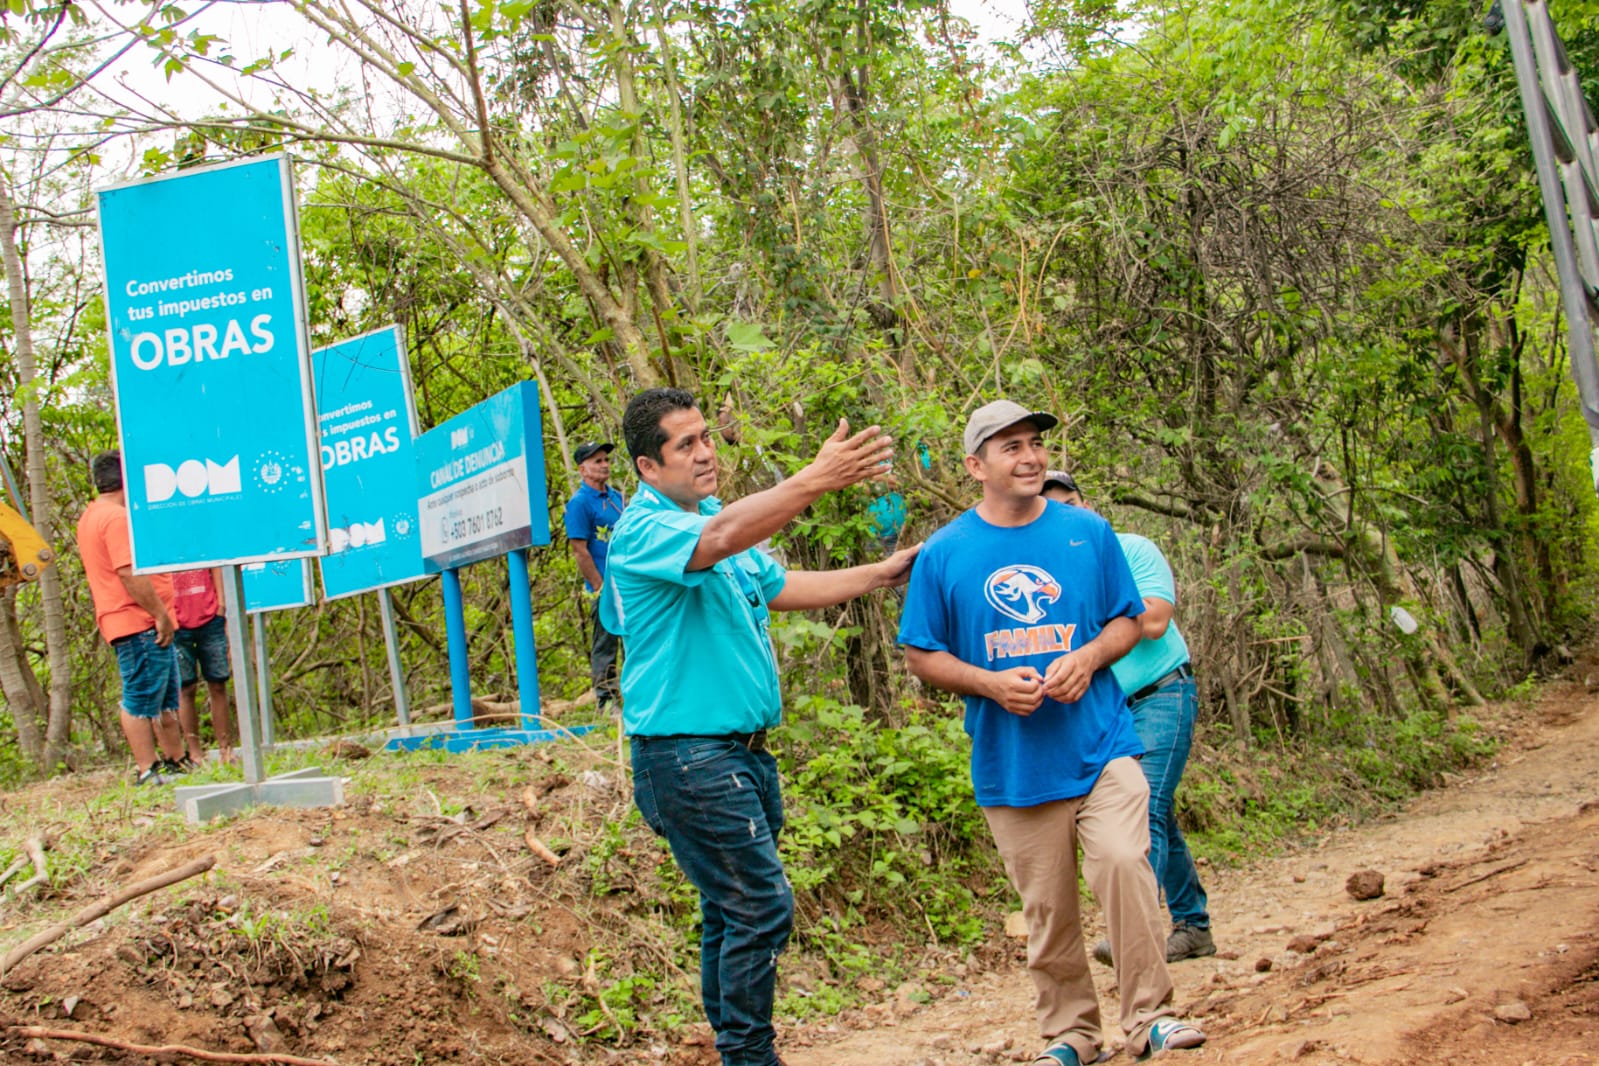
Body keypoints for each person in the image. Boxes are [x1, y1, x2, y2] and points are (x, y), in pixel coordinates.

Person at [600, 387, 919, 1066]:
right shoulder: (644, 530)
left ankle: (736, 1050)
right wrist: (814, 478)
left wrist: (881, 574)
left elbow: (778, 588)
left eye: (705, 437)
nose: (705, 453)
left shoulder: (711, 519)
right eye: (684, 445)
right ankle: (749, 1056)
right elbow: (719, 540)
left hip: (738, 756)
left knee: (732, 908)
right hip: (687, 758)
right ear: (646, 467)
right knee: (759, 907)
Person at [897, 401, 1205, 1065]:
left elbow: (1129, 621)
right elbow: (920, 654)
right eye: (1010, 447)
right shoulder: (946, 552)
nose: (1029, 456)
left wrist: (1090, 657)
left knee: (1125, 862)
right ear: (975, 465)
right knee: (1047, 908)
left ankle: (1151, 1016)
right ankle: (1072, 1034)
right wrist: (988, 683)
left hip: (1099, 742)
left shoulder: (1085, 534)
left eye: (1034, 443)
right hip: (1012, 762)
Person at [1040, 471, 1216, 967]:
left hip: (1162, 691)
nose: (1067, 518)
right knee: (1156, 807)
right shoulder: (1051, 576)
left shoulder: (1131, 549)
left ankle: (1133, 936)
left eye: (1072, 504)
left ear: (1087, 503)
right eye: (1055, 512)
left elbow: (1156, 621)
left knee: (1144, 810)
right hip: (1108, 707)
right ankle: (1194, 925)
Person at [76, 450, 188, 786]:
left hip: (141, 619)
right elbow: (127, 572)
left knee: (167, 696)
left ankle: (174, 759)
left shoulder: (93, 516)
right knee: (140, 698)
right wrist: (159, 614)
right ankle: (147, 769)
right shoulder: (114, 519)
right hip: (137, 620)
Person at [562, 440, 626, 710]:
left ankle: (636, 697)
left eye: (606, 460)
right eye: (597, 461)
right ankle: (606, 701)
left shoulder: (617, 498)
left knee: (633, 640)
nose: (604, 465)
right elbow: (580, 550)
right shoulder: (579, 504)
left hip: (628, 583)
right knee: (605, 643)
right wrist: (599, 587)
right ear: (582, 469)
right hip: (603, 585)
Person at [170, 567, 236, 766]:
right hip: (177, 622)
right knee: (185, 688)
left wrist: (222, 607)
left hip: (210, 616)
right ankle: (195, 753)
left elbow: (216, 566)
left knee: (218, 684)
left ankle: (226, 749)